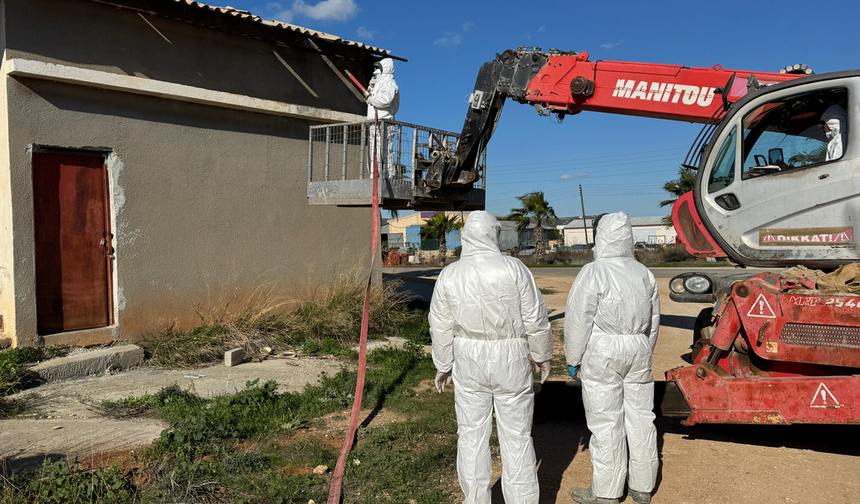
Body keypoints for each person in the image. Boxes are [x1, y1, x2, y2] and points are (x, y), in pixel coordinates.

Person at [429, 211, 553, 504]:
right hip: (509, 356)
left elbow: (440, 323)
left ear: (467, 235)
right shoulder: (514, 268)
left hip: (468, 357)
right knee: (517, 436)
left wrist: (443, 364)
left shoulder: (450, 273)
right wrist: (541, 355)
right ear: (494, 234)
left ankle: (475, 500)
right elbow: (535, 317)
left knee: (472, 436)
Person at [564, 212, 660, 504]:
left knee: (606, 421)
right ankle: (643, 486)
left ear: (601, 237)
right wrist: (646, 349)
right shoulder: (644, 273)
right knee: (642, 417)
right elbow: (654, 320)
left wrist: (573, 356)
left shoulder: (594, 272)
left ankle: (607, 491)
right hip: (638, 347)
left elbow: (578, 319)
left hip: (604, 351)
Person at [364, 58, 400, 178]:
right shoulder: (379, 84)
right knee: (374, 150)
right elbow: (372, 102)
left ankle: (388, 175)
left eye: (379, 68)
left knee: (385, 150)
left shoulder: (390, 84)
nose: (376, 71)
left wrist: (371, 98)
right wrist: (371, 90)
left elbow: (385, 101)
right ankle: (375, 174)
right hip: (374, 122)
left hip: (385, 123)